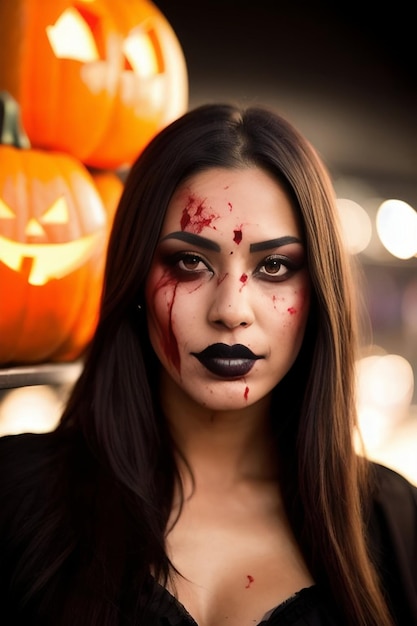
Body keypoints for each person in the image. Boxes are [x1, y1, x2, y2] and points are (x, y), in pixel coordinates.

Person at [0, 103, 416, 626]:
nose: (230, 311)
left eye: (274, 266)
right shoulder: (13, 495)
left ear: (318, 295)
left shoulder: (394, 521)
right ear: (136, 279)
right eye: (190, 262)